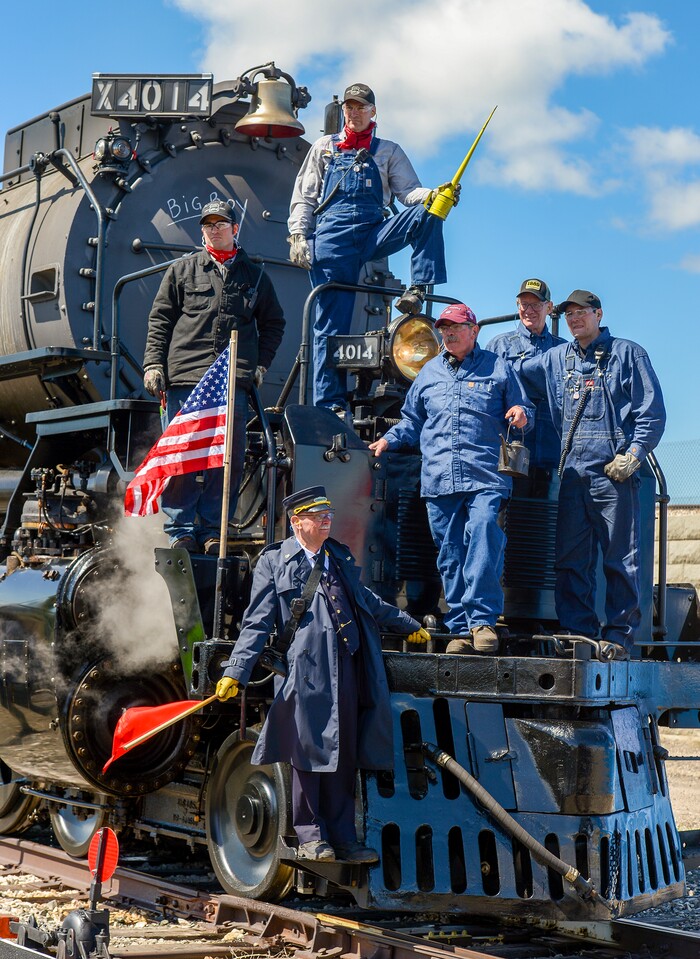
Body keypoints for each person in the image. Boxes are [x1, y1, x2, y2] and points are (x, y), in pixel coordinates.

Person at [215, 486, 429, 863]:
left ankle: (344, 837)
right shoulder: (274, 562)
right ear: (297, 522)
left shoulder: (338, 556)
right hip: (305, 673)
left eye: (328, 514)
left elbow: (367, 601)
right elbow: (257, 622)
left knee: (342, 754)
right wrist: (237, 670)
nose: (327, 520)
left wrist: (406, 623)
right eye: (318, 516)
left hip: (347, 669)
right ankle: (311, 835)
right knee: (307, 755)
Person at [369, 303, 534, 654]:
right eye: (444, 328)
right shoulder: (428, 373)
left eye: (456, 327)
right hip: (440, 479)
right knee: (450, 554)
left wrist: (521, 414)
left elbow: (525, 409)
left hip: (486, 475)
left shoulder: (498, 367)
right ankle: (460, 627)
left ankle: (483, 621)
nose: (449, 333)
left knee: (485, 533)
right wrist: (388, 439)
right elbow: (412, 422)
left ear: (474, 331)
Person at [287, 82, 458, 414]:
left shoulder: (389, 151)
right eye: (350, 106)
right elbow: (305, 196)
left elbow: (409, 192)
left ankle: (419, 288)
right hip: (332, 236)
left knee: (430, 213)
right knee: (329, 326)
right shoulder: (324, 147)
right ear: (344, 111)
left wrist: (436, 195)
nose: (354, 112)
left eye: (361, 106)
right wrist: (298, 236)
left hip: (372, 230)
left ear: (373, 111)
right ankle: (330, 406)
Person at [519, 290, 666, 653]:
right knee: (570, 561)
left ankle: (618, 637)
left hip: (614, 474)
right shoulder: (555, 359)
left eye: (582, 312)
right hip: (571, 475)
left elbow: (652, 413)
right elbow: (514, 375)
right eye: (569, 314)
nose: (574, 319)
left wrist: (634, 453)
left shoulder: (628, 354)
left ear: (598, 314)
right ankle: (577, 636)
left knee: (620, 560)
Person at [142, 199, 285, 552]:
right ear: (202, 230)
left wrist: (261, 364)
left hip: (231, 380)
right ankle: (180, 531)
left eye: (221, 223)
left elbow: (274, 324)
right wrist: (153, 364)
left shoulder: (255, 275)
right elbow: (160, 320)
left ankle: (212, 531)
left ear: (235, 229)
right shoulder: (182, 270)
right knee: (183, 455)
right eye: (208, 224)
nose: (214, 228)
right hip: (185, 376)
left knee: (227, 458)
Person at [485, 278, 565, 470]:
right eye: (524, 304)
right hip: (512, 437)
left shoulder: (563, 348)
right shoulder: (499, 345)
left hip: (553, 440)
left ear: (549, 307)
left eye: (536, 304)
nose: (529, 310)